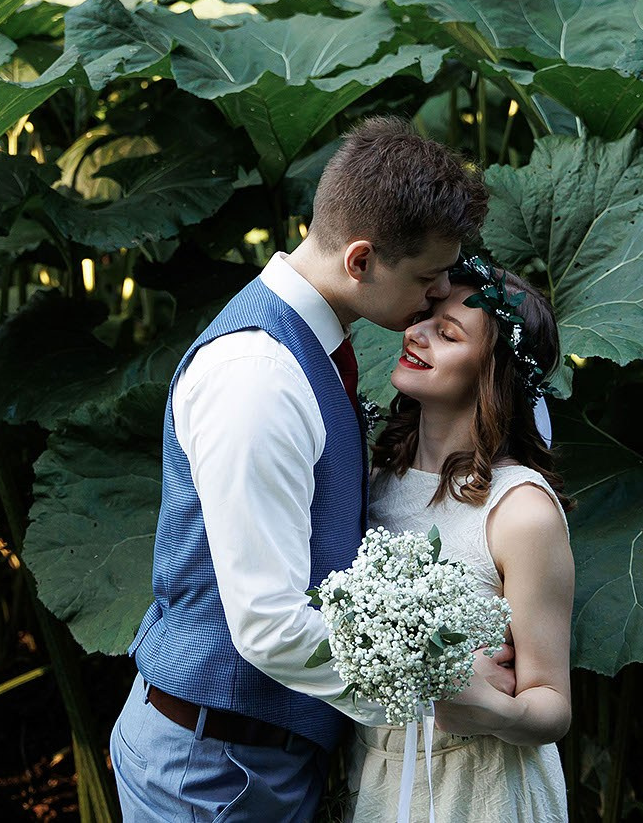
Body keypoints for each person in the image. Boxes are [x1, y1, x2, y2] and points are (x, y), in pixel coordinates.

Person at [111, 116, 496, 822]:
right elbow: (267, 623)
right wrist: (436, 677)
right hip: (214, 771)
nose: (439, 293)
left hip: (251, 754)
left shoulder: (314, 347)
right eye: (426, 276)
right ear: (360, 260)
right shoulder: (258, 376)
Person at [346, 255, 574, 823]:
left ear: (490, 375)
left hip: (483, 788)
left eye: (447, 333)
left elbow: (552, 704)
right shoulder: (371, 481)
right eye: (424, 317)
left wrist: (491, 708)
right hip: (373, 776)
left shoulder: (520, 511)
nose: (416, 334)